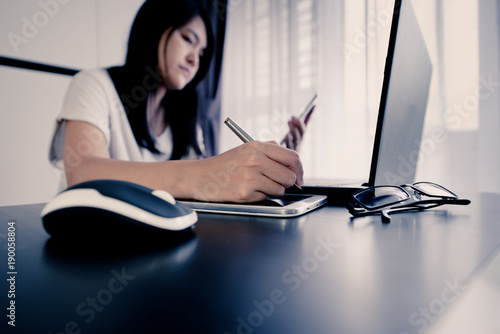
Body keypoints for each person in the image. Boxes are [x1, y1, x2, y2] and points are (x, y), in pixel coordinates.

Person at [49, 0, 308, 203]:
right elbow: (82, 172)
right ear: (155, 29)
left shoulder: (183, 117)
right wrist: (202, 173)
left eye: (201, 53)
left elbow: (207, 188)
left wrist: (273, 162)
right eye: (188, 40)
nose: (195, 59)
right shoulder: (95, 84)